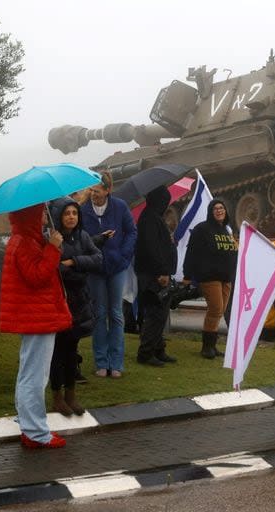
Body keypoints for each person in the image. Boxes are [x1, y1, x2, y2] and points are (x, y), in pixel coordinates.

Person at [0, 203, 72, 448]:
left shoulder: (26, 239)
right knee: (35, 376)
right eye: (40, 212)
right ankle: (35, 433)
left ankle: (30, 427)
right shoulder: (24, 242)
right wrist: (52, 248)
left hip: (36, 316)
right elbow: (37, 276)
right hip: (37, 318)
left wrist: (49, 247)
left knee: (29, 373)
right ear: (30, 215)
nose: (43, 216)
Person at [48, 198, 102, 416]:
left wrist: (73, 262)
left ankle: (71, 395)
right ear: (59, 216)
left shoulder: (83, 236)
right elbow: (55, 269)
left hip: (79, 303)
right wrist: (76, 268)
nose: (71, 217)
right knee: (57, 353)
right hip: (60, 302)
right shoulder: (53, 239)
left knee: (72, 351)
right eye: (67, 213)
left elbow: (98, 258)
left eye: (75, 213)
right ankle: (57, 396)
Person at [81, 172, 137, 378]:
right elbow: (81, 237)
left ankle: (117, 362)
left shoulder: (120, 207)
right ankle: (101, 361)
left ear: (107, 190)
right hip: (95, 269)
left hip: (116, 266)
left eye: (97, 191)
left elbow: (132, 232)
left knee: (116, 314)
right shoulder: (83, 210)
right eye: (92, 191)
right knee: (99, 314)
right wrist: (96, 241)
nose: (93, 194)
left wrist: (124, 255)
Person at [182, 199, 238, 359]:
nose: (219, 210)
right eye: (215, 208)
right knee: (215, 309)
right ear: (210, 212)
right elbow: (191, 252)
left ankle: (212, 346)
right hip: (209, 277)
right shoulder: (202, 229)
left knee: (218, 312)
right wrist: (187, 275)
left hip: (226, 278)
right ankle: (206, 347)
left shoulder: (227, 230)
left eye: (222, 208)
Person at [135, 185, 177, 366]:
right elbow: (152, 248)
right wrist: (162, 271)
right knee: (156, 314)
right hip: (153, 274)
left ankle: (158, 349)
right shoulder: (150, 219)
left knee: (159, 313)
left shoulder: (151, 217)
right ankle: (146, 353)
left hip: (154, 272)